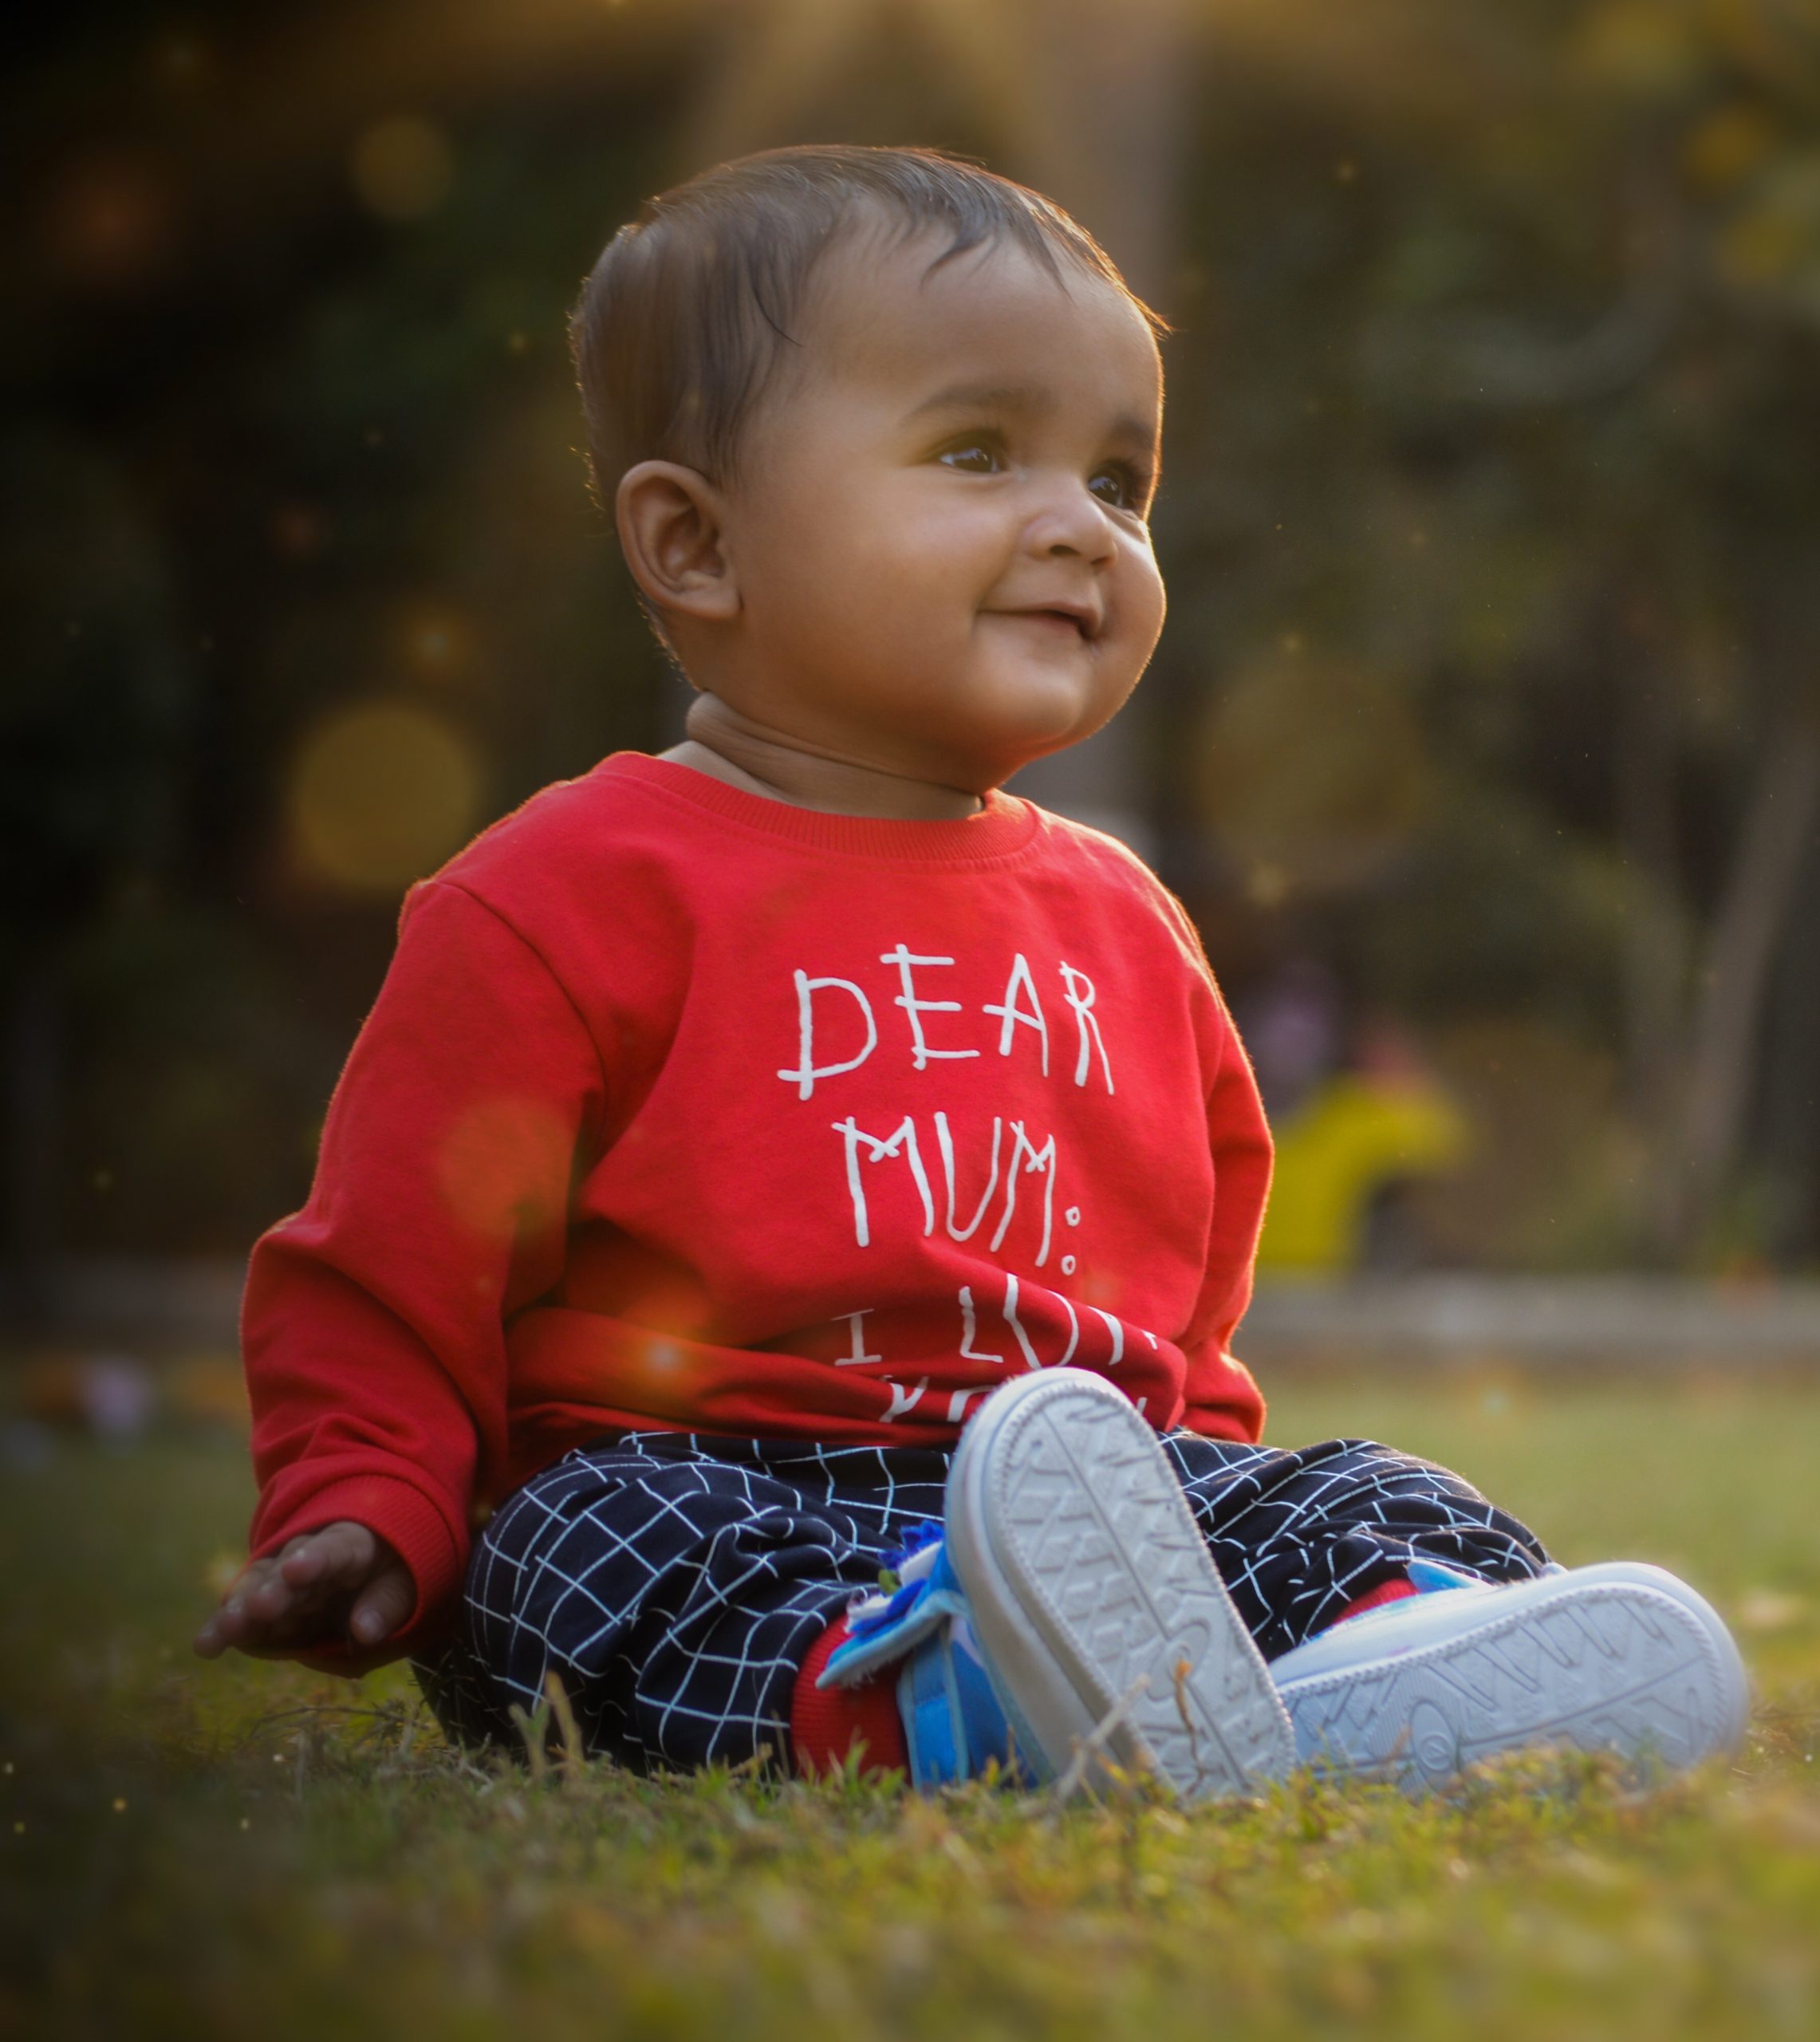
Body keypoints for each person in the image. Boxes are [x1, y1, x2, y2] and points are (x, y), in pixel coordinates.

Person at [194, 146, 1747, 1795]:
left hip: (1065, 1499)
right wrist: (362, 1499)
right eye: (978, 451)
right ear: (695, 543)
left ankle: (1382, 1651)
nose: (1080, 527)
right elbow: (389, 1271)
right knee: (576, 1544)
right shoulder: (558, 895)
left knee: (1362, 1489)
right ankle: (925, 1695)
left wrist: (1204, 1522)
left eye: (1120, 481)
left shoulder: (1128, 920)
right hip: (712, 1479)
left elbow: (1181, 1328)